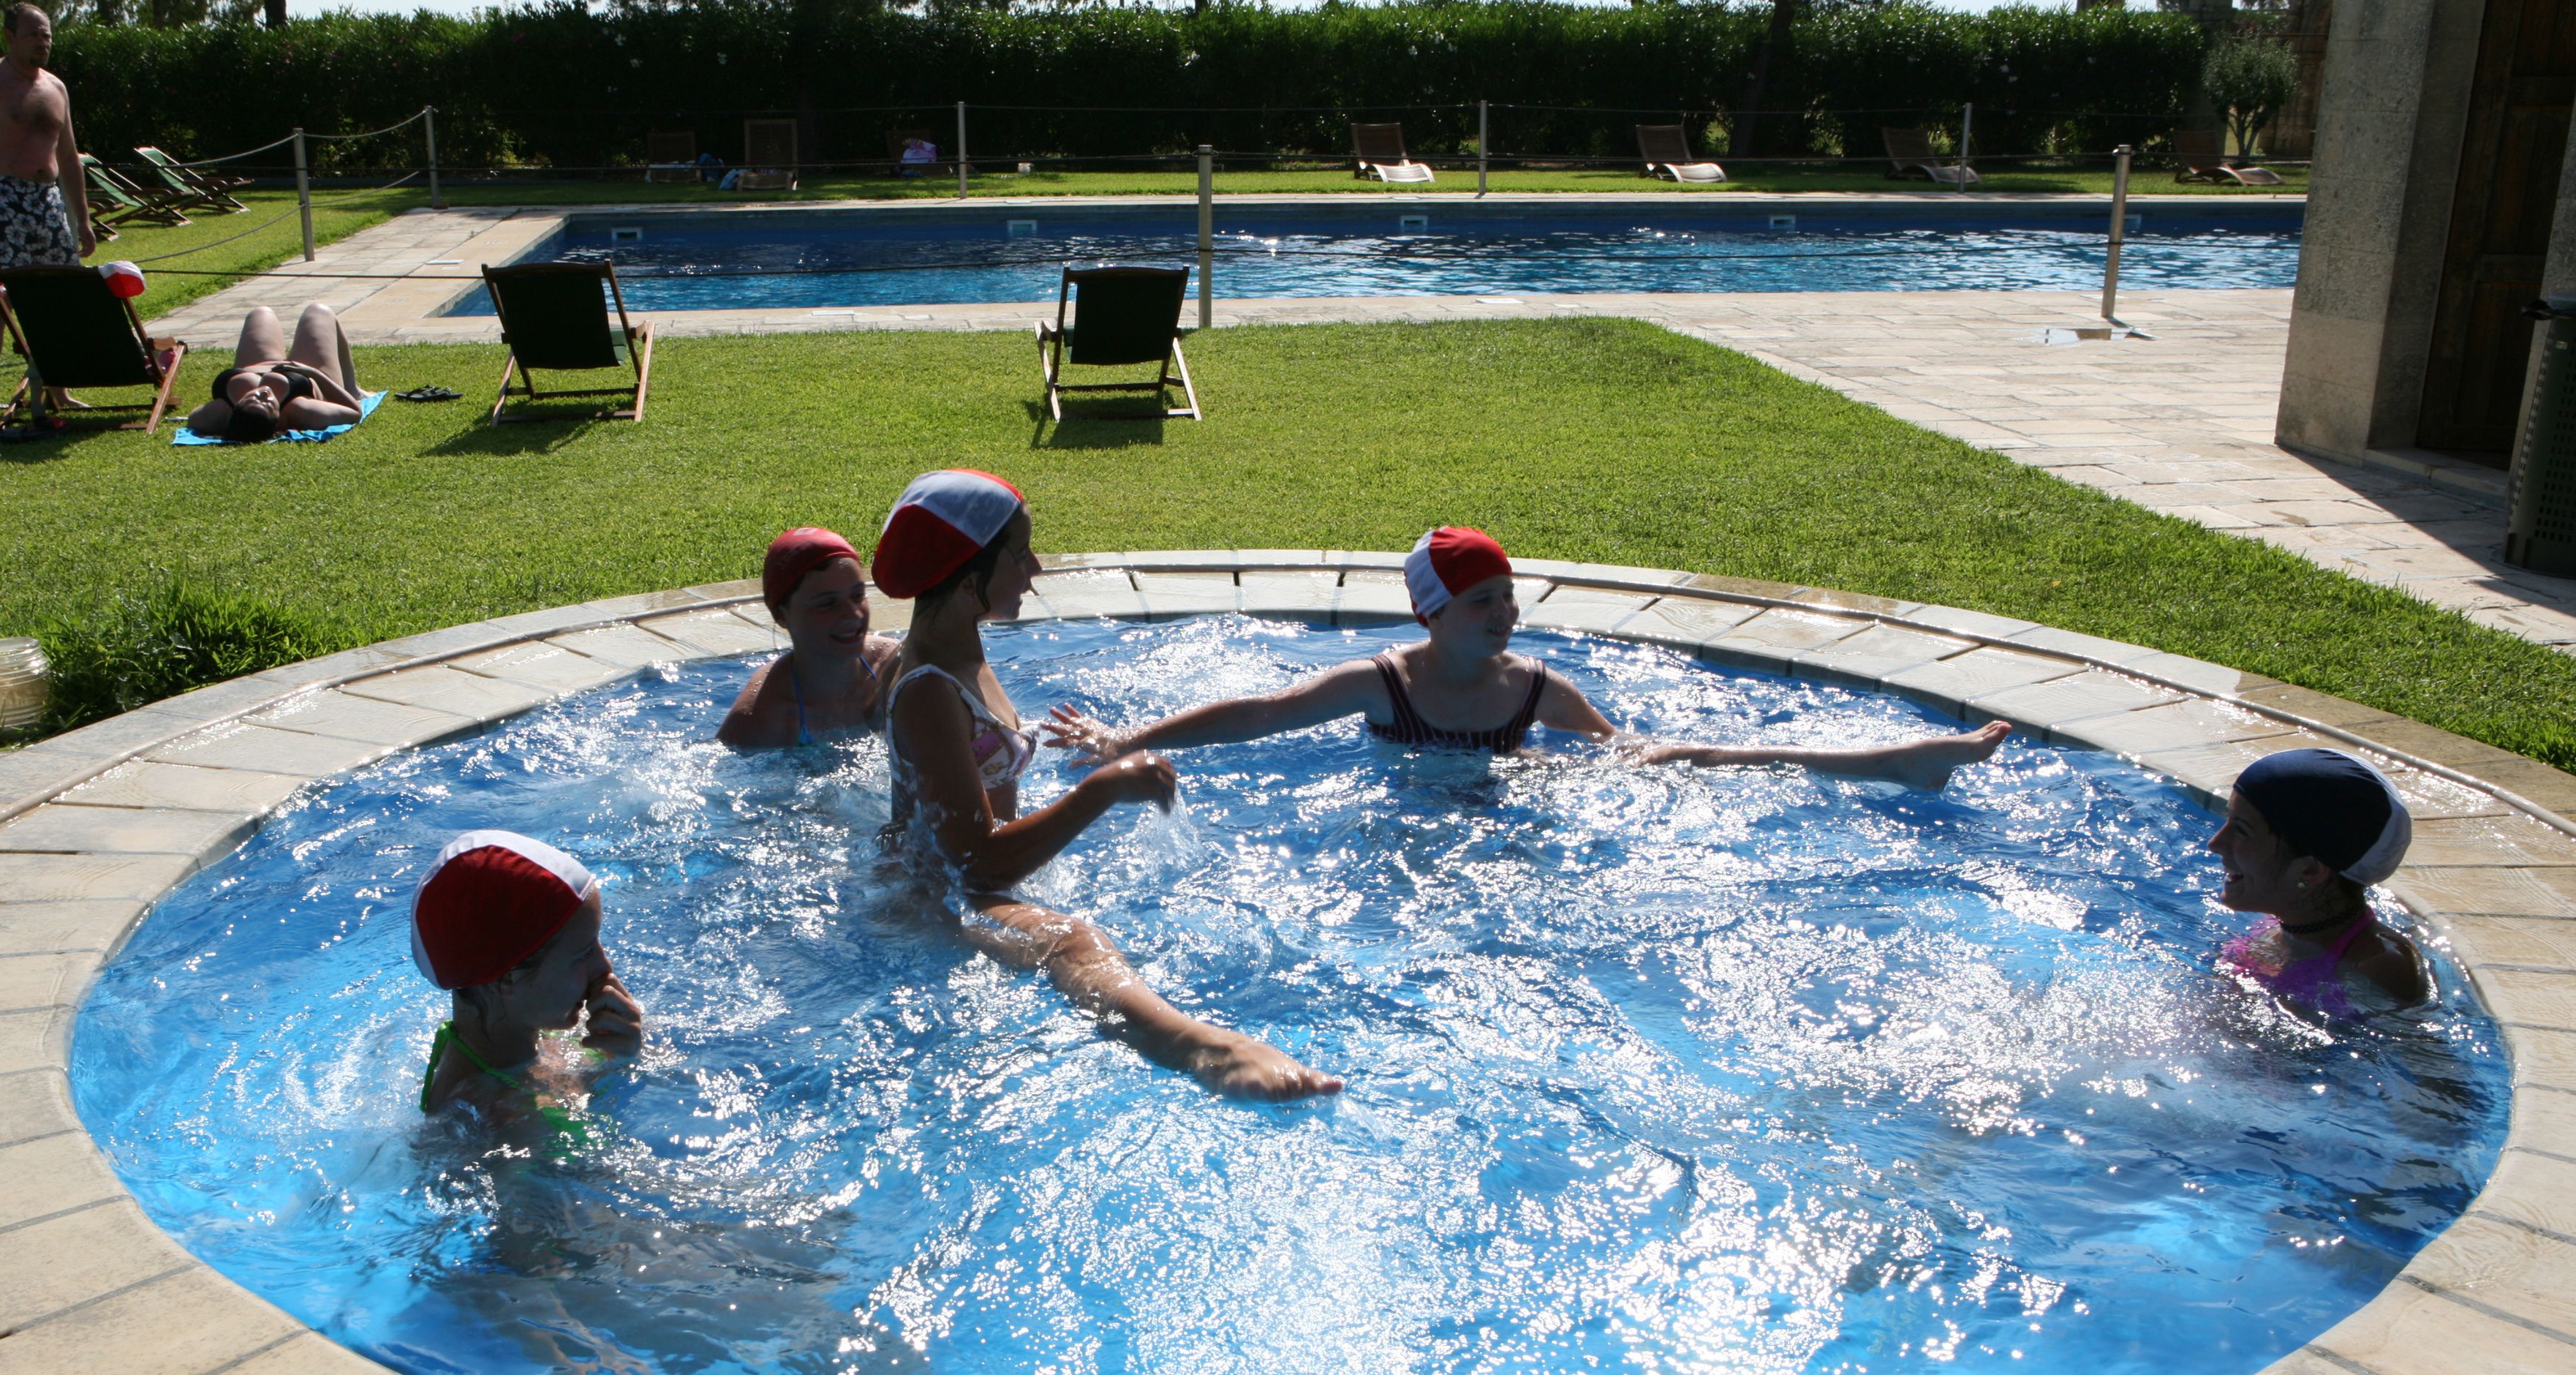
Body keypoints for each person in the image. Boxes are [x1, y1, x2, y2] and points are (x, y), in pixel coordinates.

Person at [877, 469, 1341, 1102]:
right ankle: (1206, 1050)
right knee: (1073, 941)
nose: (1035, 568)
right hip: (941, 900)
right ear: (966, 577)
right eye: (1019, 553)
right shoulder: (930, 690)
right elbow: (973, 862)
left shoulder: (958, 649)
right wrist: (1100, 791)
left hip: (971, 877)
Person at [1047, 526, 2012, 783]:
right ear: (1431, 615)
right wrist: (1126, 738)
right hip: (1412, 825)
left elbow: (1609, 753)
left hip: (1520, 804)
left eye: (1509, 598)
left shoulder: (1538, 688)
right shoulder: (1380, 685)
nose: (1505, 616)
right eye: (1482, 603)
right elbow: (1259, 714)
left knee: (1665, 756)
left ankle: (1895, 760)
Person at [413, 829, 645, 1125]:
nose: (605, 967)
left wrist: (624, 1052)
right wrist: (622, 1068)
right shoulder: (499, 1118)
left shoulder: (514, 1033)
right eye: (583, 953)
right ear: (508, 980)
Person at [0, 2, 97, 422]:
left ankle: (59, 389)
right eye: (34, 34)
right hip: (3, 197)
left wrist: (83, 220)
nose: (43, 42)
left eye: (47, 35)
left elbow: (70, 157)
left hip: (48, 200)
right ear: (10, 36)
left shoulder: (56, 87)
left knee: (59, 296)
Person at [2210, 747, 2425, 1013]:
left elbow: (2419, 1052)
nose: (2215, 843)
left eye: (2241, 830)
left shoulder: (2378, 964)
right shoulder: (2280, 928)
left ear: (2309, 871)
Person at [717, 528, 902, 748]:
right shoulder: (764, 717)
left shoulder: (894, 669)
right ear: (782, 615)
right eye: (827, 603)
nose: (853, 614)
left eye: (857, 596)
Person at [185, 304, 366, 442]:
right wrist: (312, 373)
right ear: (279, 419)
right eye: (268, 404)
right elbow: (355, 413)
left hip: (258, 363)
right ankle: (352, 387)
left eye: (253, 399)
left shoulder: (217, 414)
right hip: (307, 374)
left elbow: (193, 421)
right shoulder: (301, 410)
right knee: (319, 311)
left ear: (237, 407)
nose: (263, 393)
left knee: (260, 313)